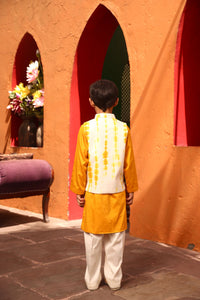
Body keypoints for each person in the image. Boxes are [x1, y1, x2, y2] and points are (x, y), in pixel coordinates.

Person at [70, 79, 138, 291]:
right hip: (117, 193)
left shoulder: (86, 129)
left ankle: (92, 281)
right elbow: (129, 162)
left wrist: (79, 191)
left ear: (91, 101)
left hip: (93, 193)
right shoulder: (124, 129)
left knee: (93, 239)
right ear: (116, 101)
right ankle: (114, 280)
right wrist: (131, 188)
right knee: (116, 239)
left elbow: (81, 162)